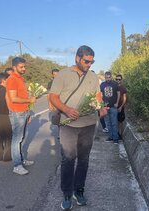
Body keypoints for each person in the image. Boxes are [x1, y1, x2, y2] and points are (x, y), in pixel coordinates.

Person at [49, 45, 107, 210]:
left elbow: (97, 95)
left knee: (84, 160)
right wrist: (66, 110)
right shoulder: (63, 74)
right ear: (77, 58)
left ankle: (78, 191)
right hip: (68, 126)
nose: (89, 64)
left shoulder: (93, 77)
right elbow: (53, 96)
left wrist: (101, 107)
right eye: (87, 61)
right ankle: (67, 193)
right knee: (68, 159)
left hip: (88, 124)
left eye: (92, 62)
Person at [6, 57, 36, 175]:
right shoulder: (12, 79)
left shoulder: (20, 79)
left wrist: (28, 112)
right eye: (21, 67)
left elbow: (22, 95)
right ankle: (17, 165)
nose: (24, 69)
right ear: (14, 67)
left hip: (23, 112)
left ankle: (21, 159)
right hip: (17, 113)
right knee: (16, 139)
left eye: (24, 66)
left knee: (21, 137)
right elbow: (14, 98)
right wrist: (30, 100)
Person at [100, 71, 120, 144]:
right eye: (106, 77)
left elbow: (118, 93)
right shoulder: (102, 84)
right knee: (108, 123)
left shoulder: (115, 84)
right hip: (105, 107)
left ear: (111, 77)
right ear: (105, 77)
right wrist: (102, 105)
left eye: (109, 77)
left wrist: (117, 103)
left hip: (113, 107)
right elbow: (101, 95)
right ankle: (111, 137)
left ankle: (115, 138)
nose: (108, 79)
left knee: (114, 123)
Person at [48, 69, 61, 138]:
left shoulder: (63, 82)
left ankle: (64, 133)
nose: (56, 76)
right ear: (52, 75)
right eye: (54, 75)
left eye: (57, 74)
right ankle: (59, 132)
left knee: (65, 119)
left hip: (64, 103)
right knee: (58, 120)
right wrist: (50, 104)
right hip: (55, 104)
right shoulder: (50, 83)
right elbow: (49, 95)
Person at [116, 74, 127, 140]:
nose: (118, 81)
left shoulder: (123, 88)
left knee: (121, 122)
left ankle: (121, 135)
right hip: (115, 107)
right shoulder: (114, 87)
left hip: (121, 107)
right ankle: (117, 133)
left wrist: (121, 107)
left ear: (121, 80)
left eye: (119, 79)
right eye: (116, 79)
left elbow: (125, 98)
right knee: (116, 121)